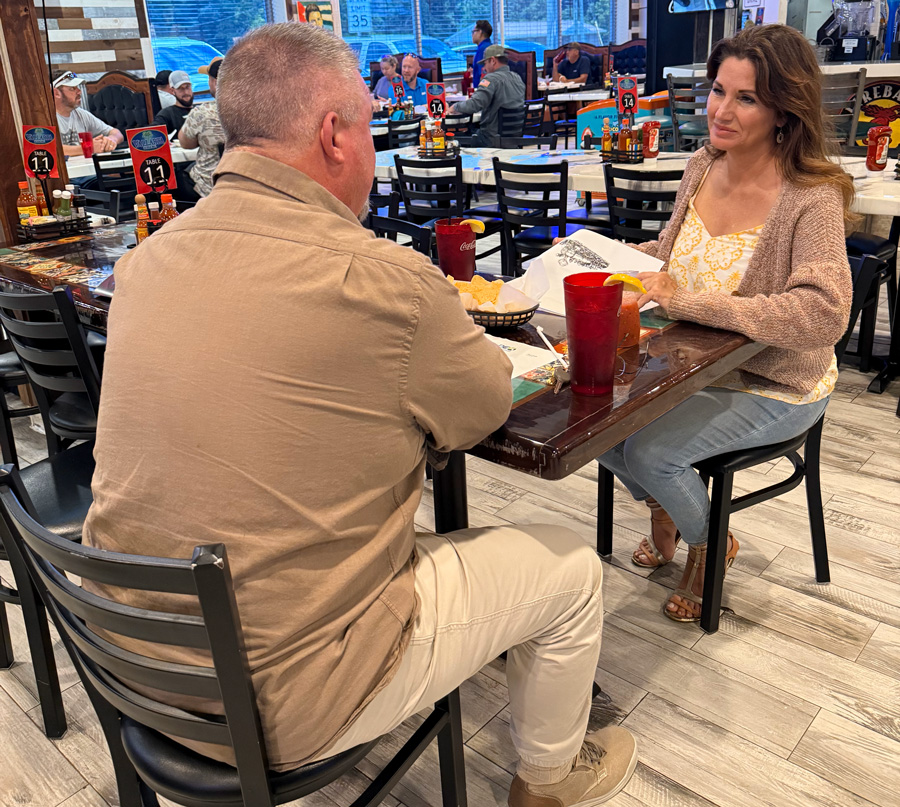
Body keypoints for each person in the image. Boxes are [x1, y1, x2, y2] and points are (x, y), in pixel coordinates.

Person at [83, 22, 638, 807]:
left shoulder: (143, 262)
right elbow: (482, 406)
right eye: (371, 128)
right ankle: (547, 784)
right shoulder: (384, 280)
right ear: (334, 135)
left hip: (131, 661)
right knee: (572, 569)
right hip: (284, 700)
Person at [597, 24, 853, 622]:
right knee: (595, 427)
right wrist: (612, 258)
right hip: (689, 365)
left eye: (747, 98)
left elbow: (823, 312)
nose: (721, 111)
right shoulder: (702, 163)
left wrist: (687, 302)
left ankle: (710, 543)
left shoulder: (810, 196)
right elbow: (671, 252)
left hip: (776, 380)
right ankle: (669, 510)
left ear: (784, 110)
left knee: (652, 453)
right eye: (718, 90)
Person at [448, 44, 525, 146]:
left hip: (490, 139)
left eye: (485, 63)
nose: (484, 68)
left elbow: (474, 105)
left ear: (493, 61)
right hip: (514, 139)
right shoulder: (517, 78)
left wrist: (454, 107)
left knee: (452, 141)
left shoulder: (491, 79)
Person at [177, 58, 225, 199]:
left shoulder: (202, 113)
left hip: (210, 187)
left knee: (176, 177)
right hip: (250, 186)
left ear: (215, 82)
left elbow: (186, 144)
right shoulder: (256, 112)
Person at [52, 71, 123, 157]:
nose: (79, 92)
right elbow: (47, 149)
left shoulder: (81, 114)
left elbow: (116, 133)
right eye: (72, 88)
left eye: (77, 87)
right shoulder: (44, 118)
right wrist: (88, 147)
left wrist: (111, 140)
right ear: (56, 93)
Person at [151, 70, 193, 136]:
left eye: (187, 87)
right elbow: (153, 134)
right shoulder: (166, 115)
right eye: (180, 88)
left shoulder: (199, 111)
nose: (186, 92)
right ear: (172, 90)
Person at [471, 19, 493, 86]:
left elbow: (484, 75)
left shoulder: (483, 49)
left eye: (473, 32)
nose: (472, 35)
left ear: (480, 32)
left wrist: (482, 90)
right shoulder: (488, 46)